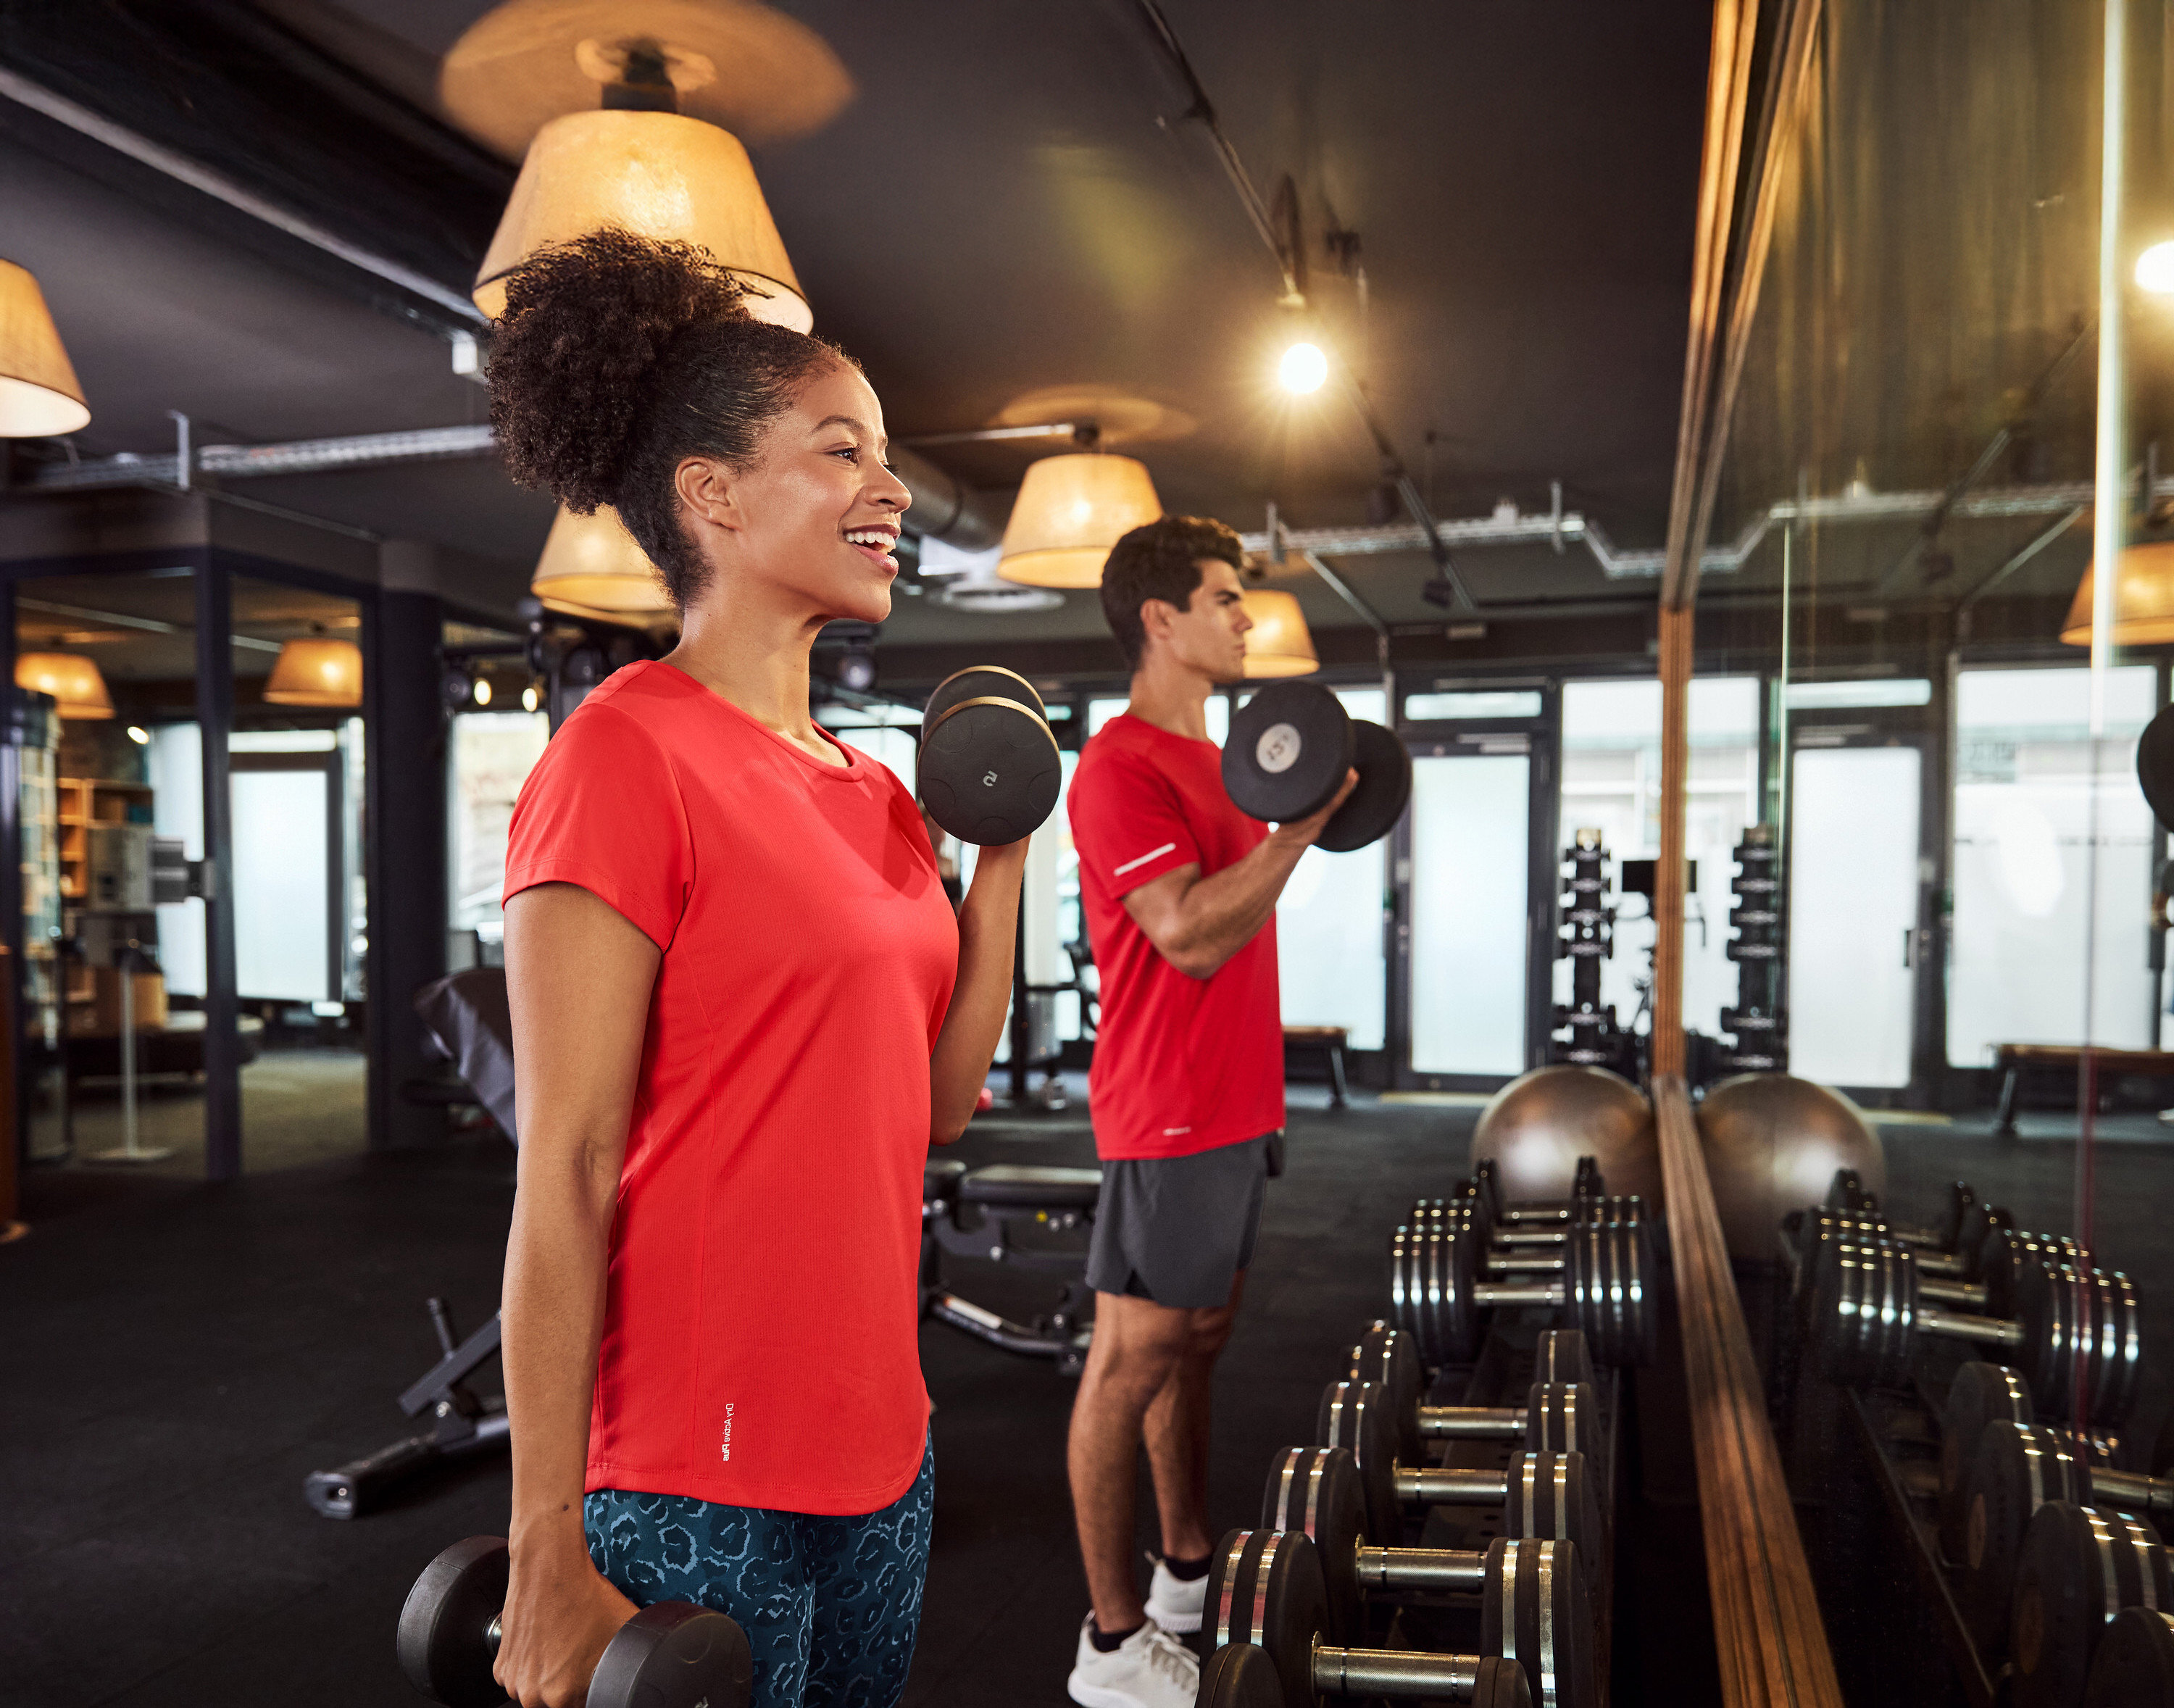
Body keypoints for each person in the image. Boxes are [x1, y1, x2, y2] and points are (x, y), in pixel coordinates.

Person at [484, 230, 1027, 1708]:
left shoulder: (880, 791)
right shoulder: (621, 752)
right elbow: (571, 1160)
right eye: (840, 449)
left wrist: (1003, 856)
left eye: (889, 455)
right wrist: (544, 1538)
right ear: (708, 496)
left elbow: (947, 1103)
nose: (891, 488)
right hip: (688, 1466)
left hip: (883, 1440)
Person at [1060, 517, 1355, 1708]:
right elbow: (1184, 933)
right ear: (1160, 620)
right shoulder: (1119, 766)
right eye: (1225, 598)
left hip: (1239, 1104)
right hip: (1168, 1113)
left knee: (1202, 1341)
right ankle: (1112, 1643)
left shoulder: (1226, 764)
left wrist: (1290, 824)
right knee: (1129, 1360)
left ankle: (1185, 1570)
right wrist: (1298, 836)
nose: (1245, 618)